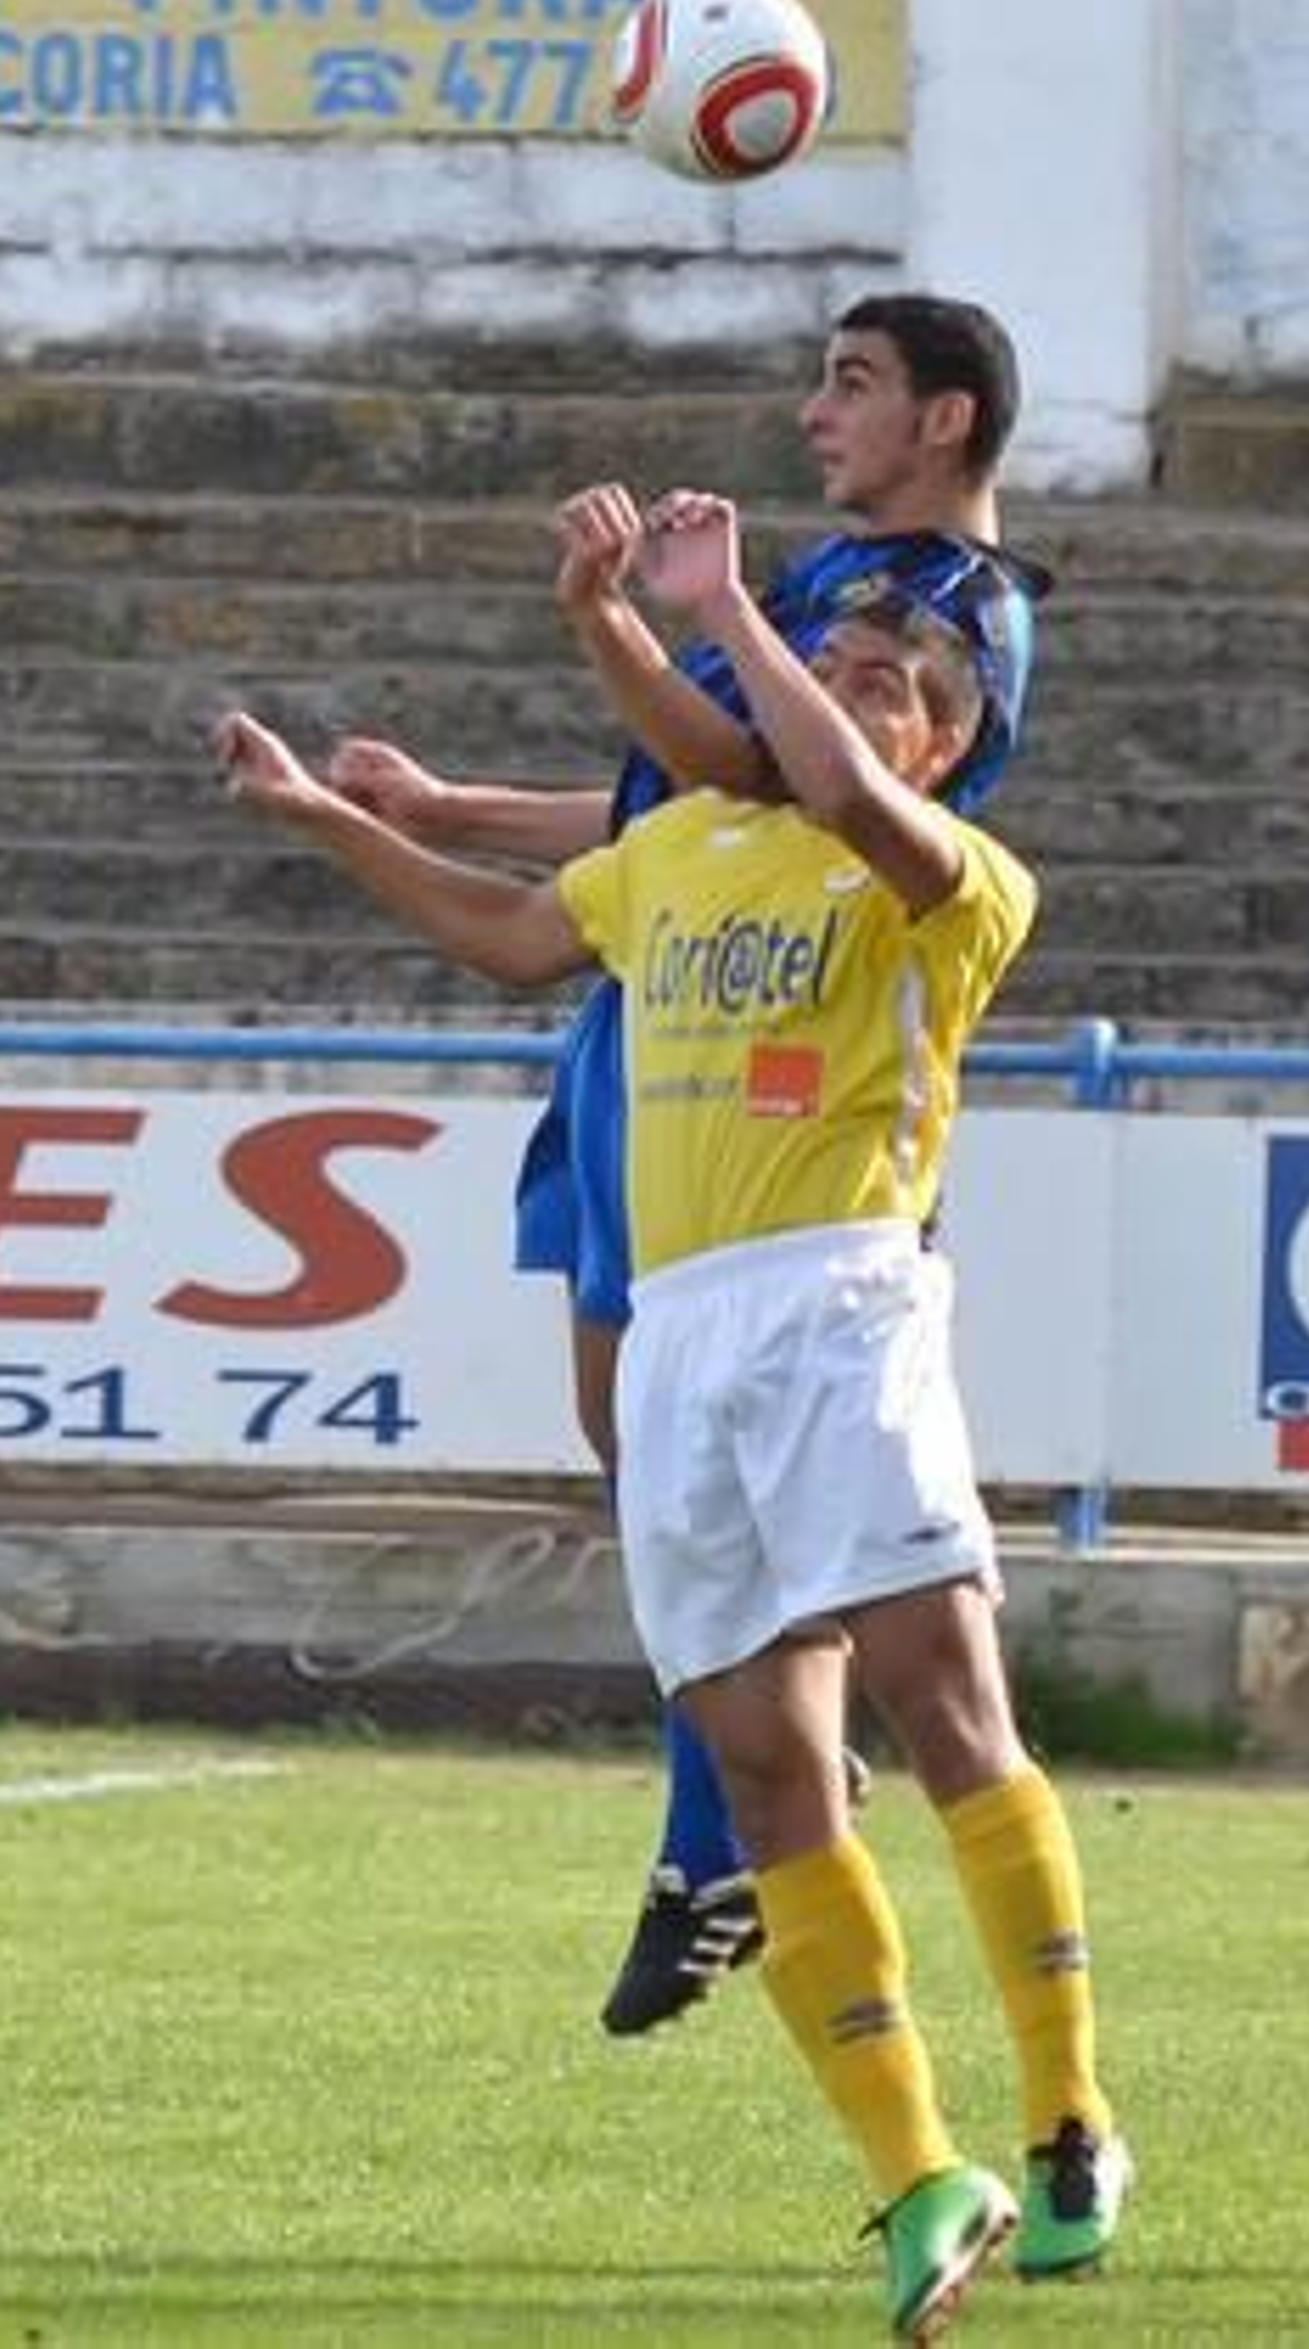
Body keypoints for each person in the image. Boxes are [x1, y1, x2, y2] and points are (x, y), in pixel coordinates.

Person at [211, 501, 1130, 2342]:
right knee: (772, 1765)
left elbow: (853, 794)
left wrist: (714, 617)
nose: (864, 690)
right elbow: (509, 939)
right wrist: (332, 815)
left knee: (950, 1711)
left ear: (950, 744)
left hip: (843, 1303)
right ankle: (916, 2172)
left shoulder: (942, 870)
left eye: (904, 683)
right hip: (684, 1339)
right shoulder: (684, 844)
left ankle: (1069, 2114)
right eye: (842, 661)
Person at [326, 293, 1050, 2039]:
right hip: (664, 997)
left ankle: (724, 1838)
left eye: (853, 385)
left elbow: (746, 772)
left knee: (724, 1455)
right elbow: (680, 809)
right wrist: (444, 808)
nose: (817, 414)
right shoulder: (821, 584)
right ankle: (733, 1823)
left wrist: (628, 615)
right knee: (632, 1425)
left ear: (947, 422)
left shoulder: (946, 613)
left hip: (769, 1052)